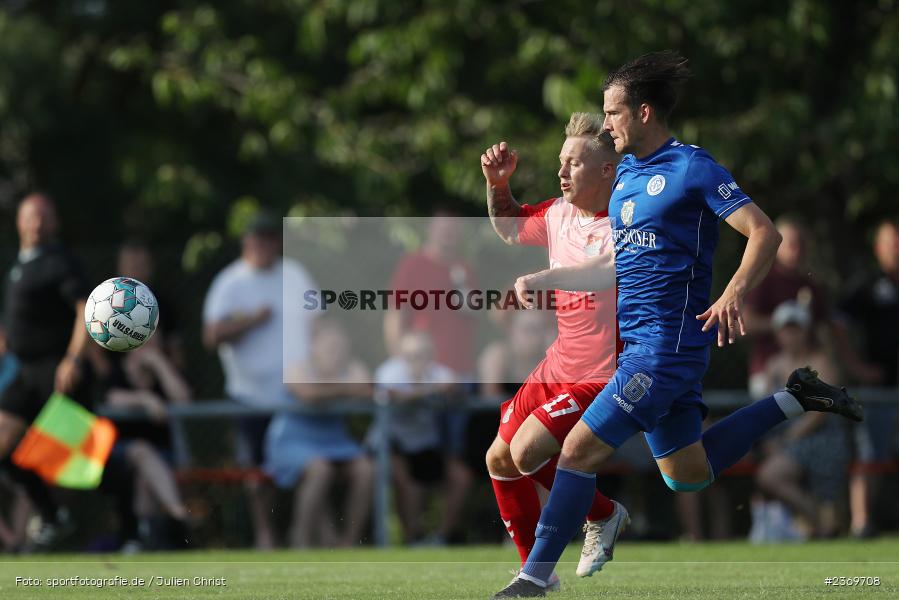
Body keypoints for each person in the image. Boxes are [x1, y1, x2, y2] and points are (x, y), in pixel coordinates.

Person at [493, 51, 863, 598]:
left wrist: (734, 291)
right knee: (687, 473)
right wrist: (550, 277)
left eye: (613, 113)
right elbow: (614, 267)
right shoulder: (625, 176)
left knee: (576, 452)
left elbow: (764, 232)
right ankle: (795, 398)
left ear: (643, 113)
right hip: (644, 348)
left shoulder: (692, 168)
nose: (607, 124)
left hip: (663, 351)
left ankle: (534, 578)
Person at [479, 113, 623, 587]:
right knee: (499, 460)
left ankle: (602, 514)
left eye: (574, 163)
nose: (561, 172)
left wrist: (545, 277)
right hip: (558, 363)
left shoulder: (625, 220)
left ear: (606, 170)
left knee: (526, 454)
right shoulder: (559, 213)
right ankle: (540, 573)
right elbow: (509, 227)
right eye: (561, 161)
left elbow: (603, 272)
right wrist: (498, 184)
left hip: (600, 373)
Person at [203, 211, 318, 549]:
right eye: (258, 239)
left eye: (270, 239)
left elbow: (318, 324)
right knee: (256, 472)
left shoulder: (294, 274)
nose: (264, 245)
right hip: (250, 395)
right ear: (247, 242)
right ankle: (265, 535)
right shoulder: (230, 282)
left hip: (295, 394)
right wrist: (252, 320)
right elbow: (212, 336)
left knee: (306, 466)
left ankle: (305, 534)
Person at [0, 193, 93, 548]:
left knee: (84, 462)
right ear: (18, 221)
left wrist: (73, 359)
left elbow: (85, 310)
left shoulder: (61, 262)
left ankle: (133, 525)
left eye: (43, 217)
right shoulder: (19, 265)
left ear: (54, 223)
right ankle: (51, 514)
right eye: (30, 216)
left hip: (56, 374)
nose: (36, 224)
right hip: (23, 373)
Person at [265, 321, 373, 548]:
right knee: (320, 469)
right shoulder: (297, 368)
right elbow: (308, 394)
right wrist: (345, 388)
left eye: (340, 347)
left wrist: (330, 388)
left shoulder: (352, 367)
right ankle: (301, 539)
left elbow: (365, 389)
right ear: (314, 346)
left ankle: (348, 543)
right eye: (330, 346)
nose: (336, 352)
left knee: (366, 470)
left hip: (335, 441)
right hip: (292, 441)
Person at [754, 301, 850, 539]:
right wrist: (770, 440)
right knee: (769, 474)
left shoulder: (821, 362)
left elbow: (822, 412)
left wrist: (786, 440)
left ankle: (819, 523)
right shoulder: (774, 366)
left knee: (770, 475)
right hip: (788, 441)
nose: (791, 335)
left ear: (806, 331)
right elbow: (766, 411)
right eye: (785, 329)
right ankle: (819, 524)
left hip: (821, 438)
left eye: (795, 329)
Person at [838, 218, 899, 537]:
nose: (896, 249)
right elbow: (837, 322)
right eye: (891, 243)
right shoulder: (868, 285)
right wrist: (857, 367)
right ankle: (861, 523)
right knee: (870, 453)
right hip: (880, 388)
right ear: (878, 248)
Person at [373, 331, 462, 545]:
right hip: (390, 443)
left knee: (457, 477)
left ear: (430, 355)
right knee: (406, 481)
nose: (416, 360)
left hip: (424, 443)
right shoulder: (389, 371)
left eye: (421, 354)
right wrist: (430, 391)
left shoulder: (437, 371)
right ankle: (412, 537)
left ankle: (437, 539)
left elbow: (453, 385)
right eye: (410, 355)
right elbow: (393, 394)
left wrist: (422, 392)